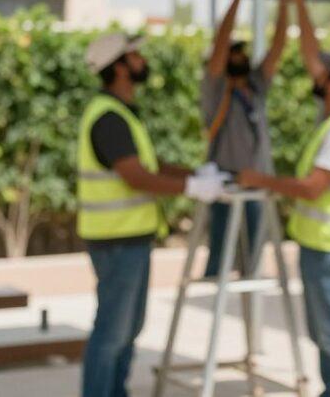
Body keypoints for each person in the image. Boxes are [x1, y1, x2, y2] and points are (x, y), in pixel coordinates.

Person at [238, 0, 330, 397]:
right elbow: (311, 53)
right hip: (324, 245)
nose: (316, 69)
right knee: (324, 331)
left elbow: (313, 188)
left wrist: (261, 179)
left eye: (324, 71)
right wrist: (297, 3)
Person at [77, 32, 226, 397]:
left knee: (128, 329)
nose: (142, 60)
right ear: (119, 67)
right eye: (134, 55)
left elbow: (148, 164)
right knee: (113, 332)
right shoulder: (108, 118)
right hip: (116, 242)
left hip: (130, 239)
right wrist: (192, 190)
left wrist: (194, 174)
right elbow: (135, 176)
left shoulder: (122, 113)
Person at [200, 0, 288, 277]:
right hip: (226, 186)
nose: (238, 55)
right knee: (220, 270)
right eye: (233, 51)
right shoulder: (214, 88)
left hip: (257, 185)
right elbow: (220, 43)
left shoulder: (255, 87)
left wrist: (287, 3)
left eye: (242, 50)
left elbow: (277, 48)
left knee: (252, 269)